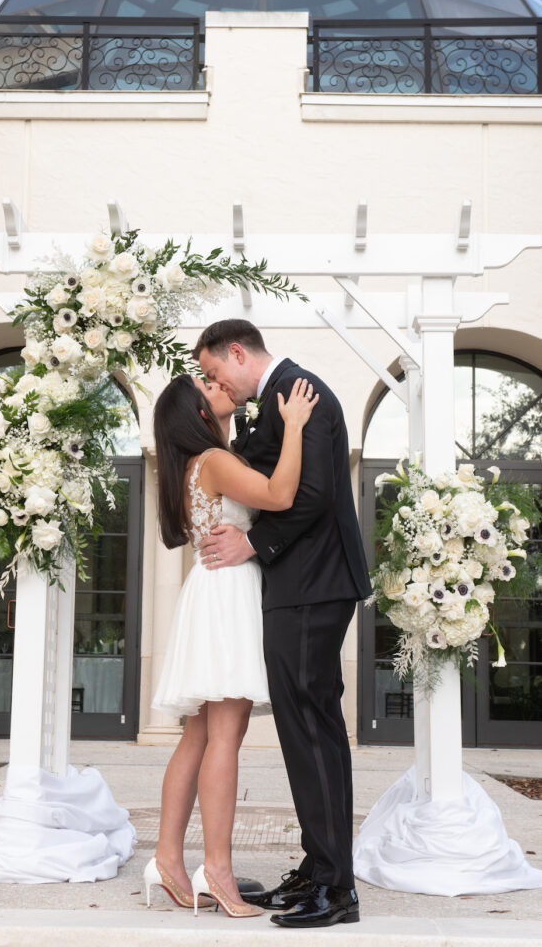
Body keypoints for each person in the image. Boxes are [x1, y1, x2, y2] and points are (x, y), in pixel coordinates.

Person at [194, 319, 372, 930]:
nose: (220, 384)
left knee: (313, 728)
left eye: (217, 373)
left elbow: (316, 492)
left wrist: (255, 545)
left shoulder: (300, 392)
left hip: (312, 587)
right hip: (302, 588)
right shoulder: (277, 399)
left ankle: (334, 888)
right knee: (305, 729)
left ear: (237, 352)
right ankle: (321, 868)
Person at [144, 371, 318, 919]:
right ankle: (216, 870)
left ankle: (168, 859)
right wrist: (292, 427)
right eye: (207, 386)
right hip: (228, 595)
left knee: (199, 732)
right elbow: (281, 494)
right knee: (224, 734)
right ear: (198, 412)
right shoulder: (216, 462)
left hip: (212, 590)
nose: (219, 384)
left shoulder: (195, 465)